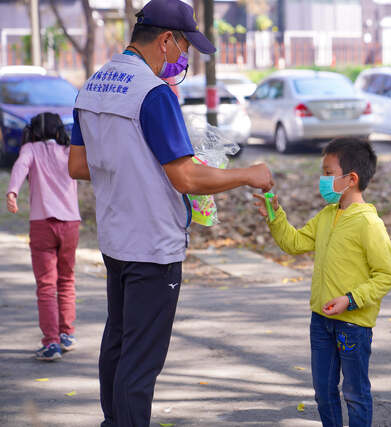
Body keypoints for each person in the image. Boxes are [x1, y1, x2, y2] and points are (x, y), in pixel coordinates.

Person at [67, 1, 273, 425]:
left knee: (120, 343)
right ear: (164, 40)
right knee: (141, 360)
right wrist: (248, 174)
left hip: (114, 239)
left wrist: (137, 163)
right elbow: (186, 179)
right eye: (183, 47)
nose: (182, 58)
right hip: (153, 245)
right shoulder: (154, 93)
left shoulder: (92, 86)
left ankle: (113, 420)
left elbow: (77, 166)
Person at [254, 138, 391, 427]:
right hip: (321, 320)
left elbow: (386, 275)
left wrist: (351, 299)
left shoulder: (369, 223)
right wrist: (274, 214)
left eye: (328, 173)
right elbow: (293, 243)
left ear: (351, 179)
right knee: (323, 392)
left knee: (355, 393)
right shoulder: (327, 215)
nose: (323, 179)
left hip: (353, 324)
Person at [5, 112, 81, 361]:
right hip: (70, 223)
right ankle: (66, 334)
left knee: (46, 286)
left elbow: (20, 167)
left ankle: (51, 343)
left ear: (34, 131)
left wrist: (13, 192)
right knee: (67, 280)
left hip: (42, 224)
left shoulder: (31, 149)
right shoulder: (69, 150)